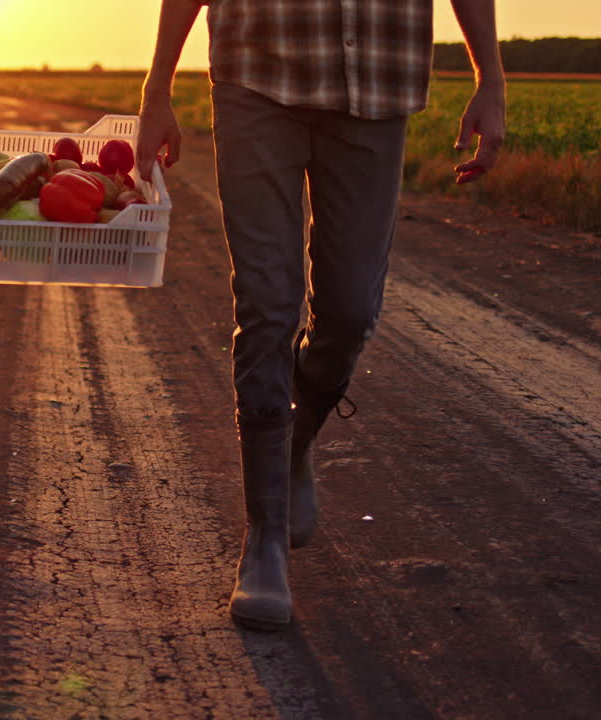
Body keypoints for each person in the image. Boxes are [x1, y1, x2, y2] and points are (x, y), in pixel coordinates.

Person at [136, 0, 505, 628]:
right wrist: (157, 88)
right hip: (257, 73)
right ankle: (266, 540)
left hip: (378, 86)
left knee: (351, 310)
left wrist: (490, 80)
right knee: (266, 305)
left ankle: (295, 437)